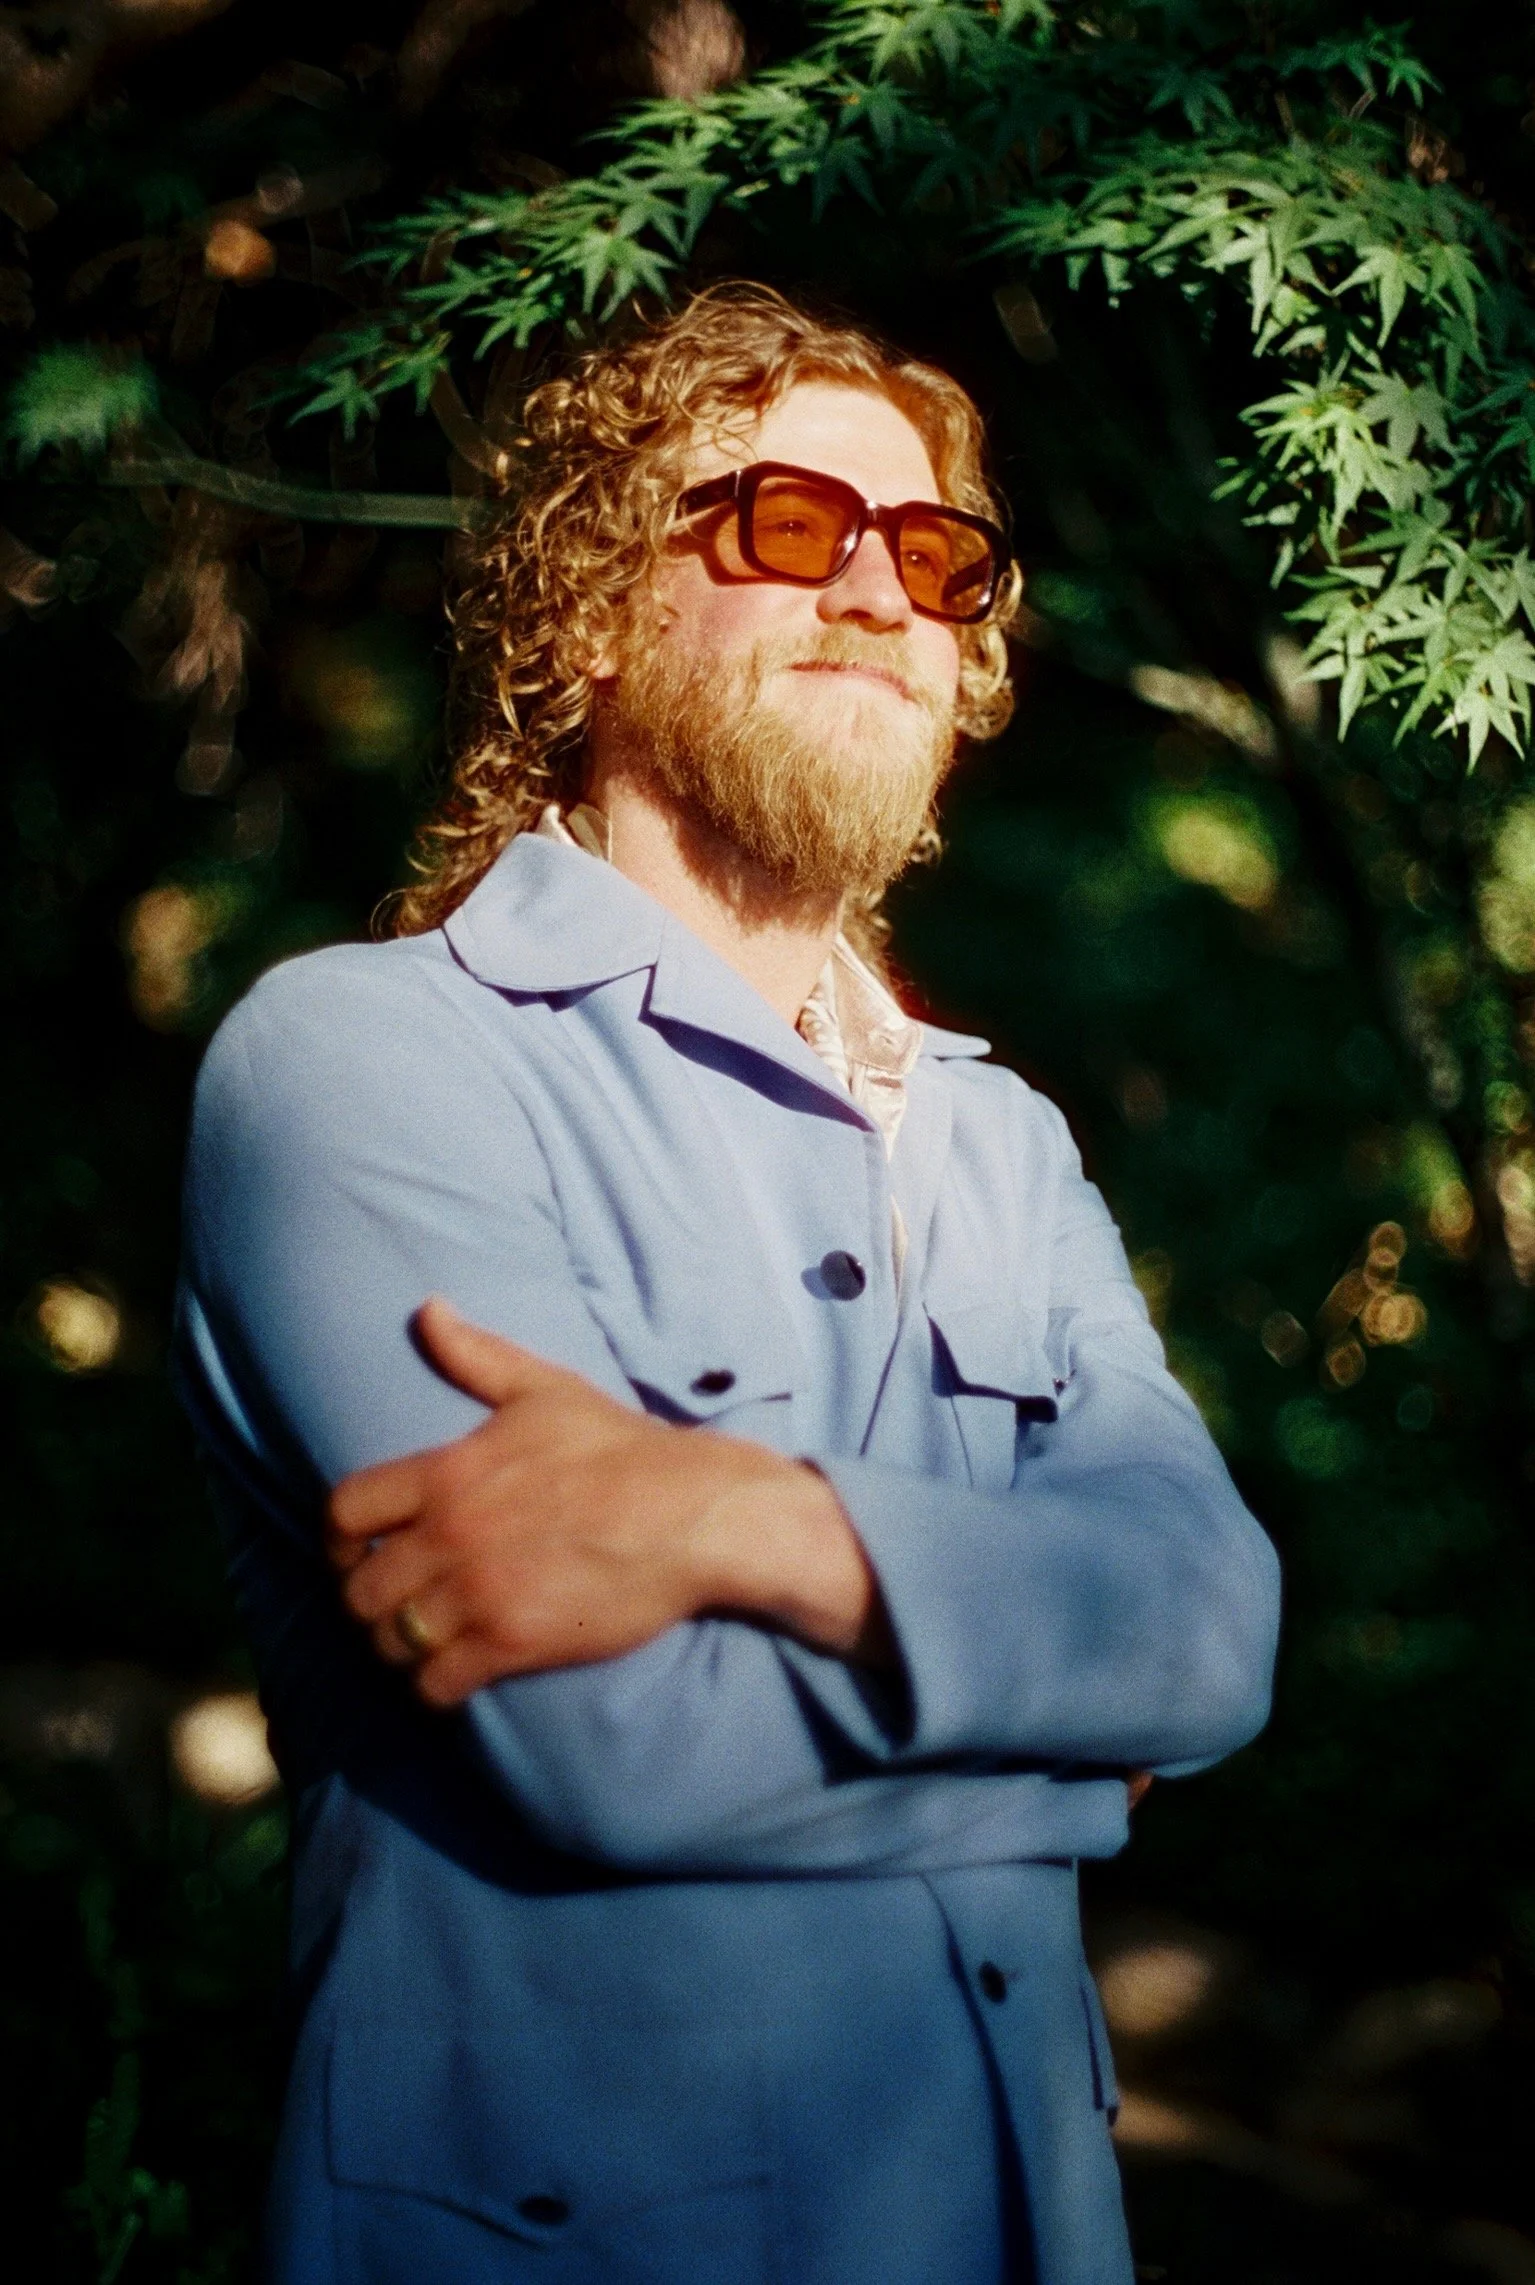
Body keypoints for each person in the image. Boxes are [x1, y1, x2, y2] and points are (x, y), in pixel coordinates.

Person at [175, 283, 1280, 2285]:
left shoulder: (998, 1136)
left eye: (931, 553)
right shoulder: (364, 1058)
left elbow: (1215, 1625)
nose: (875, 589)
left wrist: (743, 1520)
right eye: (781, 523)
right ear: (587, 617)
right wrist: (1068, 1749)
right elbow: (606, 1741)